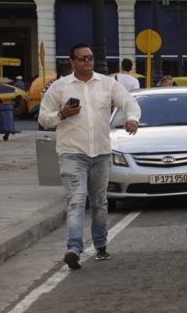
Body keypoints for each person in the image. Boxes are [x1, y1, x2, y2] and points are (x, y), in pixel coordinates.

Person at [37, 42, 141, 269]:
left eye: (90, 57)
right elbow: (43, 117)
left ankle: (101, 245)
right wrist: (61, 114)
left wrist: (132, 118)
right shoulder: (59, 87)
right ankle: (74, 248)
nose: (88, 61)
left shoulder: (107, 83)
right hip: (72, 154)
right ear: (72, 62)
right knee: (75, 201)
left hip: (101, 153)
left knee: (100, 203)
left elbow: (129, 102)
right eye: (82, 58)